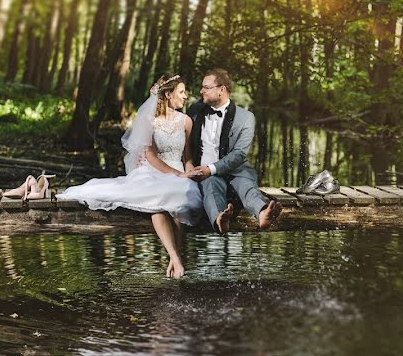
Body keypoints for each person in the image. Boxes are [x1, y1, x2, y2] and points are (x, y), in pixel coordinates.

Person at [57, 74, 202, 278]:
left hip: (178, 170)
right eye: (182, 92)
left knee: (180, 201)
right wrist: (177, 174)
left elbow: (187, 156)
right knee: (157, 202)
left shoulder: (186, 122)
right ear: (168, 95)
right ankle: (176, 259)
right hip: (153, 171)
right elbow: (150, 156)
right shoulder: (149, 121)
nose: (186, 96)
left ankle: (174, 259)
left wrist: (190, 171)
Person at [184, 68, 281, 233]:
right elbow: (185, 145)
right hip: (204, 173)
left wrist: (211, 169)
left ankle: (263, 213)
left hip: (236, 170)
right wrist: (194, 168)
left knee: (246, 185)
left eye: (206, 87)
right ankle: (220, 219)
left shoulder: (245, 118)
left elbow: (239, 154)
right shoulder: (194, 111)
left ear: (221, 89)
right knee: (211, 186)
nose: (201, 91)